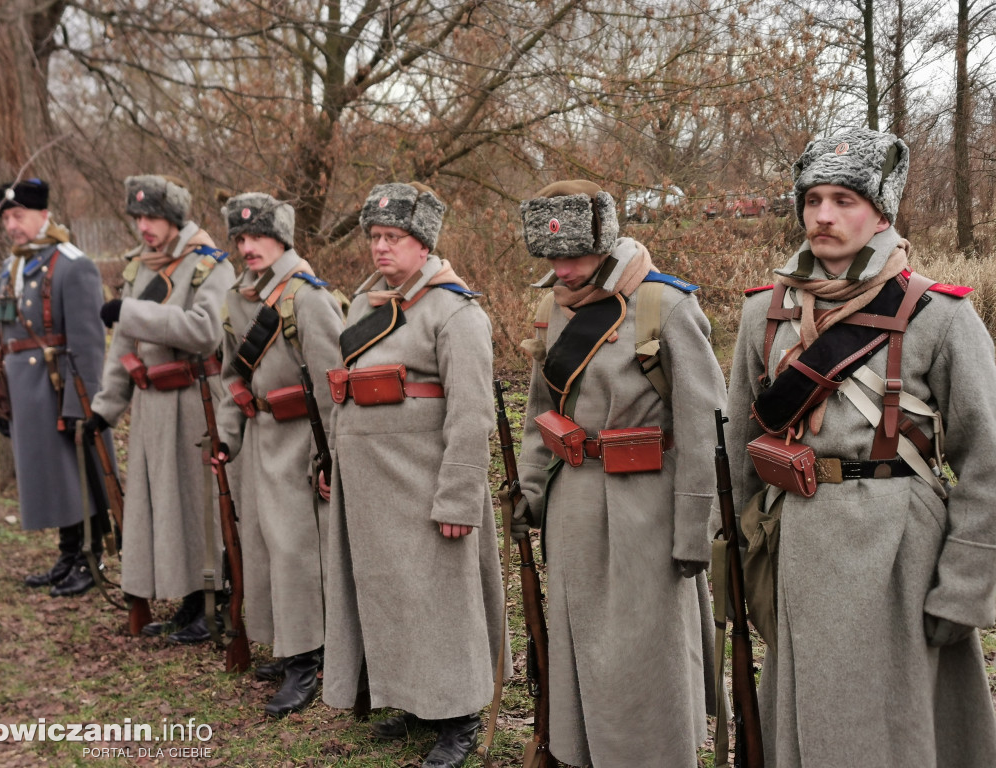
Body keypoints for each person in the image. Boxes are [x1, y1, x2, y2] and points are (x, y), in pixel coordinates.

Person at [724, 127, 996, 767]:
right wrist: (732, 552)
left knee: (896, 729)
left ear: (880, 212)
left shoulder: (940, 314)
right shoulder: (764, 312)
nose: (823, 215)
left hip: (901, 550)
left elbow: (987, 460)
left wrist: (964, 588)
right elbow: (739, 444)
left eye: (844, 199)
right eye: (813, 198)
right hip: (798, 539)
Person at [511, 180, 724, 766]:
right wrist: (531, 491)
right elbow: (541, 414)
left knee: (645, 647)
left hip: (648, 502)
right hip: (575, 500)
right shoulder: (553, 308)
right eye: (552, 256)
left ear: (606, 244)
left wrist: (694, 529)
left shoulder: (665, 305)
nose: (563, 267)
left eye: (575, 254)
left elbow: (707, 428)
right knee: (585, 642)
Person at [322, 182, 508, 768]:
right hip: (371, 486)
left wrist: (458, 499)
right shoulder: (364, 306)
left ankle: (460, 716)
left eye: (393, 238)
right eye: (375, 237)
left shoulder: (455, 312)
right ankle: (412, 702)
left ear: (422, 244)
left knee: (441, 602)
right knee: (393, 597)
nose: (381, 248)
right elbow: (343, 393)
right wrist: (329, 461)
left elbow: (473, 412)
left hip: (426, 484)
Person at [89, 175, 235, 642]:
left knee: (197, 507)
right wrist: (105, 408)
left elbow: (204, 330)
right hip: (151, 402)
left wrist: (130, 313)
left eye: (152, 217)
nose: (143, 227)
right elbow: (123, 348)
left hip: (196, 400)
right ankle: (188, 601)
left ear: (175, 219)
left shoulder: (209, 265)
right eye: (138, 218)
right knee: (163, 510)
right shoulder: (140, 267)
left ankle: (212, 600)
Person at [214, 192, 344, 717]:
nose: (248, 246)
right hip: (260, 435)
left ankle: (310, 660)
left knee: (297, 552)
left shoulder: (307, 298)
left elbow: (335, 385)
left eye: (259, 236)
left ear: (282, 238)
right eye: (241, 238)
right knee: (266, 548)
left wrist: (331, 458)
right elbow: (232, 380)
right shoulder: (237, 298)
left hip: (302, 440)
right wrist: (226, 438)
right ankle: (288, 645)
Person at [0, 178, 110, 597]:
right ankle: (68, 552)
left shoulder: (73, 264)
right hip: (25, 390)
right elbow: (1, 335)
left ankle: (91, 558)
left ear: (43, 214)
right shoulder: (13, 266)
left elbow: (90, 344)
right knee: (54, 477)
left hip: (61, 386)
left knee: (77, 470)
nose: (11, 225)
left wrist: (84, 404)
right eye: (6, 217)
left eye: (18, 215)